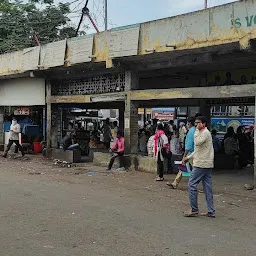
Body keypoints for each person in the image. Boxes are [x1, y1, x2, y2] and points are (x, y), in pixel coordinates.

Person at [183, 116, 215, 218]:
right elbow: (198, 150)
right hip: (205, 163)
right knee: (207, 188)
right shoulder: (202, 133)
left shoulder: (204, 133)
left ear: (204, 124)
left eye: (198, 123)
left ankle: (194, 209)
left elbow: (196, 143)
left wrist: (196, 131)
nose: (196, 125)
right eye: (195, 123)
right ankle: (211, 211)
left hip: (201, 164)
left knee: (192, 184)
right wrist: (188, 157)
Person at [167, 117, 196, 189]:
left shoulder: (191, 131)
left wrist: (184, 155)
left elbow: (188, 145)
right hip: (193, 152)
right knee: (183, 168)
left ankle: (193, 185)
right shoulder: (195, 130)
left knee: (196, 170)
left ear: (189, 123)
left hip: (190, 154)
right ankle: (175, 183)